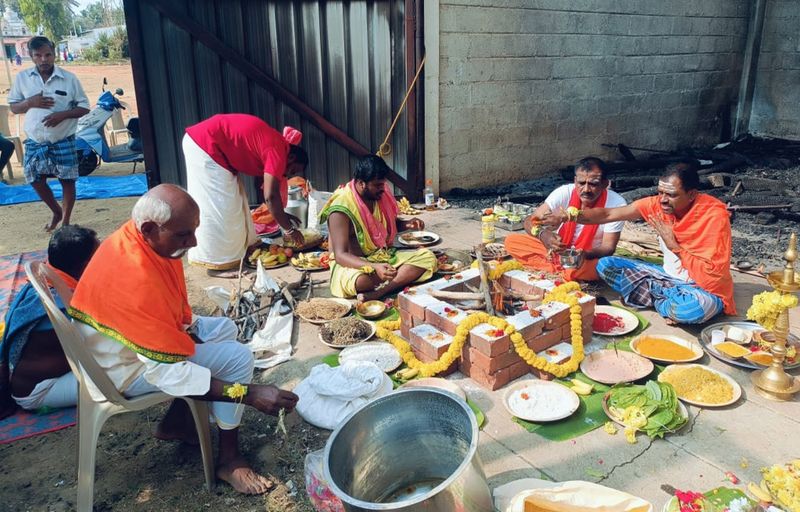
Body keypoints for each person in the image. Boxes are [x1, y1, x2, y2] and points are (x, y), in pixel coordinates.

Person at [68, 184, 299, 495]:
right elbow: (167, 372)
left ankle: (178, 420)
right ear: (149, 228)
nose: (193, 242)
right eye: (183, 235)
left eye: (194, 231)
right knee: (239, 358)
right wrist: (249, 393)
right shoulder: (135, 279)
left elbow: (169, 315)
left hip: (120, 348)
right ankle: (229, 459)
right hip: (121, 371)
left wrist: (187, 336)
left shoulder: (137, 237)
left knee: (225, 330)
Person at [544, 161, 735, 324]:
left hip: (700, 286)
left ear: (692, 194)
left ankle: (656, 298)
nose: (663, 201)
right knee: (605, 265)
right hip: (665, 276)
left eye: (672, 195)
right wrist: (569, 215)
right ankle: (663, 296)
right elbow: (609, 214)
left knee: (692, 310)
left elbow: (713, 275)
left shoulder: (714, 215)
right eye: (660, 193)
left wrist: (674, 246)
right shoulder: (656, 204)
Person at [182, 114, 309, 274]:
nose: (288, 175)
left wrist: (281, 214)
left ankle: (246, 247)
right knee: (221, 206)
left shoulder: (278, 147)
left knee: (237, 202)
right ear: (290, 157)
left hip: (214, 147)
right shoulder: (278, 151)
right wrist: (289, 230)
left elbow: (264, 188)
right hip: (205, 145)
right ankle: (219, 262)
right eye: (291, 170)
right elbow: (271, 196)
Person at [0, 225, 100, 420]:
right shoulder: (63, 308)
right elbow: (104, 346)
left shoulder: (45, 280)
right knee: (143, 371)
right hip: (40, 391)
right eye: (98, 258)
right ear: (84, 266)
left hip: (26, 379)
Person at [320, 155, 437, 300]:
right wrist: (374, 267)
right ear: (362, 183)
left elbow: (386, 225)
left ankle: (380, 292)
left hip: (382, 256)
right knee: (362, 281)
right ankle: (397, 277)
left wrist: (407, 224)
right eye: (377, 185)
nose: (383, 189)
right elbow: (340, 255)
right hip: (351, 264)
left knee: (428, 257)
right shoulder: (341, 208)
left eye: (383, 184)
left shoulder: (378, 196)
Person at [8, 36, 90, 232]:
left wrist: (63, 115)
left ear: (54, 55)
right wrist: (29, 103)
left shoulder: (69, 79)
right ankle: (56, 211)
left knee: (67, 180)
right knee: (34, 179)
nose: (44, 59)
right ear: (30, 56)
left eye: (48, 54)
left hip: (62, 139)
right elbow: (14, 107)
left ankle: (66, 222)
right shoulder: (22, 78)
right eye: (38, 55)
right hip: (35, 141)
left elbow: (84, 107)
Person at [504, 157, 626, 281]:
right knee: (512, 241)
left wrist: (584, 254)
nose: (586, 189)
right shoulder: (564, 192)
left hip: (587, 257)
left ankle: (561, 270)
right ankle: (561, 270)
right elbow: (529, 221)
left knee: (601, 267)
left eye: (593, 184)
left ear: (605, 184)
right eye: (581, 183)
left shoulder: (617, 204)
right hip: (558, 250)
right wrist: (543, 235)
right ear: (575, 181)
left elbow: (608, 247)